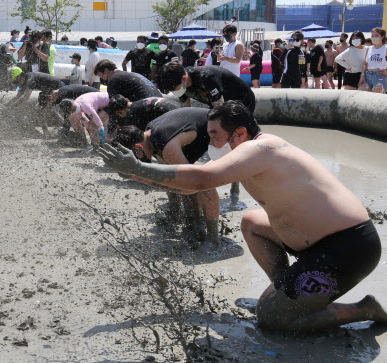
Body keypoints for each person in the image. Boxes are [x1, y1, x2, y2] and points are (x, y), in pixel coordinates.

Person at [100, 100, 387, 333]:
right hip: (314, 243)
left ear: (238, 133)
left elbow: (201, 180)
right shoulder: (249, 150)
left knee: (272, 319)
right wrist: (141, 177)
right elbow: (191, 190)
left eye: (213, 135)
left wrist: (139, 168)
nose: (208, 140)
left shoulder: (260, 148)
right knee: (252, 222)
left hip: (347, 249)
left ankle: (363, 308)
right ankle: (283, 289)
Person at [109, 107, 221, 246]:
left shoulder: (167, 147)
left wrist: (135, 175)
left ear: (138, 148)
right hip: (207, 124)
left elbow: (196, 183)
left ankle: (213, 239)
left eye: (134, 159)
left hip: (224, 131)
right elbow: (173, 179)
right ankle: (192, 220)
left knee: (203, 184)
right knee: (179, 176)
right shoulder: (150, 134)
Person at [156, 62, 255, 112]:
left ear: (184, 79)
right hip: (216, 102)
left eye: (174, 89)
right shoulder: (180, 82)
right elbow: (186, 109)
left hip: (242, 100)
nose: (174, 92)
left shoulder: (207, 78)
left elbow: (220, 109)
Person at [94, 59, 163, 101]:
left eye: (101, 75)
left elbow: (115, 106)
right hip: (161, 101)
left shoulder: (114, 79)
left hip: (150, 106)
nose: (102, 79)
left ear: (106, 70)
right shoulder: (127, 74)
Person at [105, 95, 180, 131]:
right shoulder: (139, 103)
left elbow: (143, 137)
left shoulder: (133, 113)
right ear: (127, 99)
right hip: (180, 109)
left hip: (174, 117)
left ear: (119, 113)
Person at [363, 27, 387, 93]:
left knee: (375, 99)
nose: (374, 37)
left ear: (382, 37)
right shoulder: (369, 48)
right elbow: (365, 63)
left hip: (380, 75)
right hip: (368, 75)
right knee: (362, 97)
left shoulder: (385, 48)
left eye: (376, 35)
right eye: (372, 36)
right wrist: (362, 75)